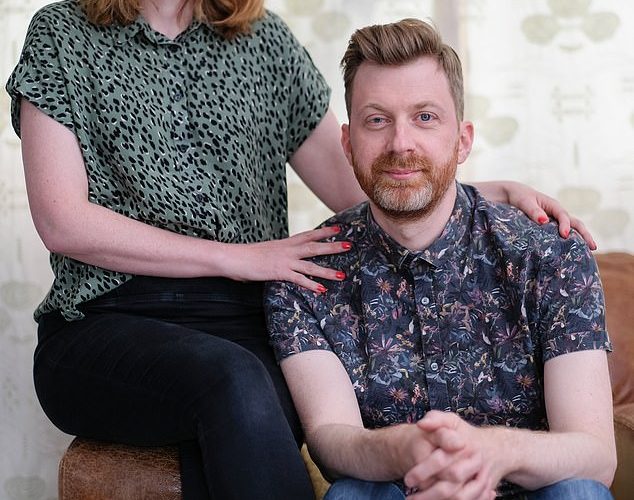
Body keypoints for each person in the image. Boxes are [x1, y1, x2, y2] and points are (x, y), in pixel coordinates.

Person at [6, 1, 596, 499]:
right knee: (237, 384)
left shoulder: (263, 41)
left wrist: (486, 192)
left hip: (242, 319)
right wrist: (237, 257)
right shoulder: (63, 33)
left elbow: (369, 176)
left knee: (273, 408)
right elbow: (62, 222)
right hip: (111, 317)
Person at [265, 18, 616, 500]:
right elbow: (331, 439)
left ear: (463, 140)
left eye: (425, 117)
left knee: (578, 493)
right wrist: (406, 450)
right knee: (351, 495)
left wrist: (492, 452)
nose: (400, 143)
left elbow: (595, 454)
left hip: (525, 489)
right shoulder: (306, 276)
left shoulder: (550, 253)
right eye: (377, 120)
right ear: (347, 143)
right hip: (399, 489)